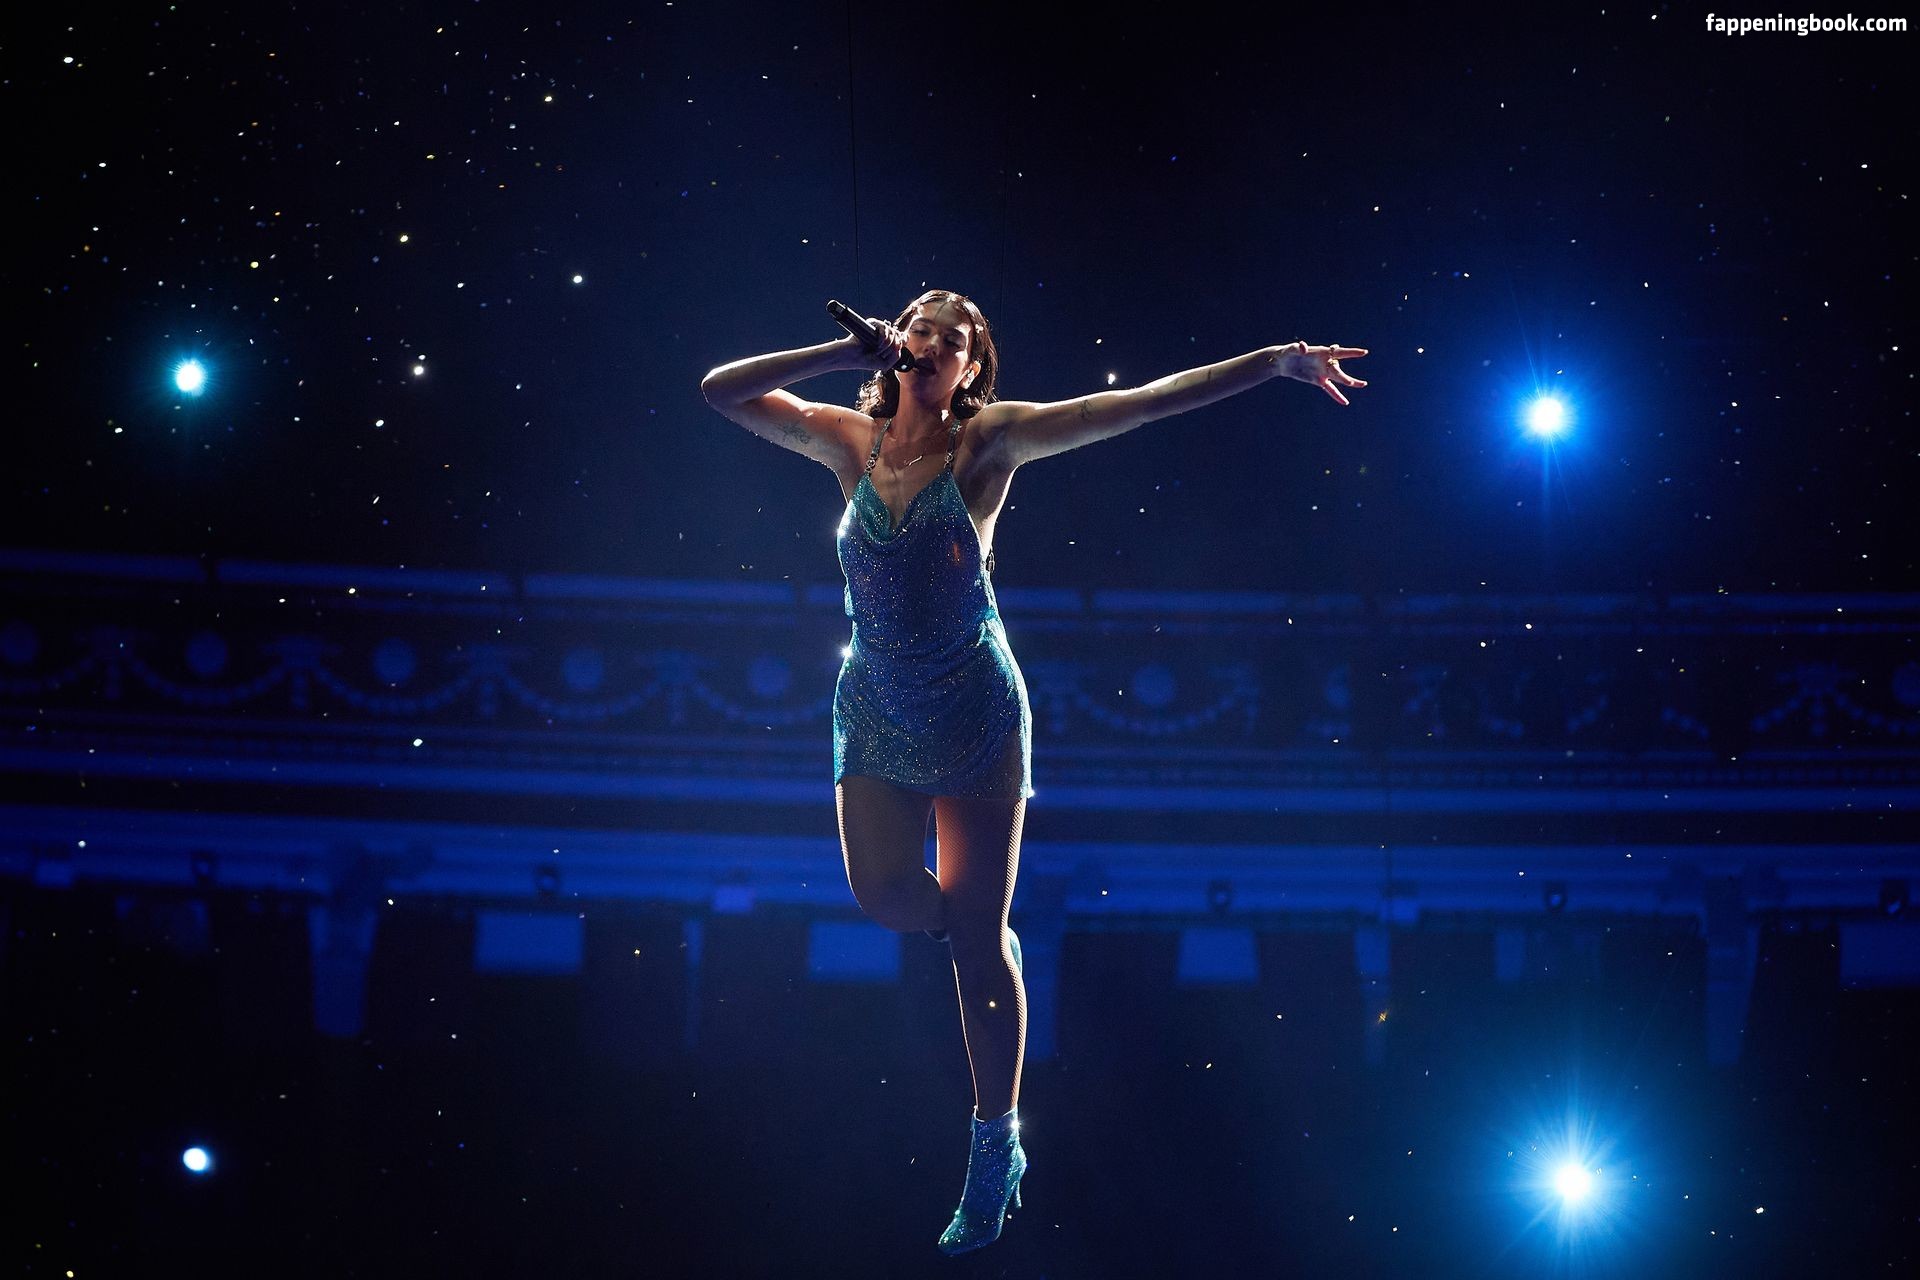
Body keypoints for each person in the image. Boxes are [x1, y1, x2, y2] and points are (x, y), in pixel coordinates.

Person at [700, 289, 1367, 1253]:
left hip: (976, 705)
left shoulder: (989, 443)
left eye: (952, 337)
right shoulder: (849, 441)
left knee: (976, 947)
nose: (928, 341)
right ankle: (976, 924)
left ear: (972, 367)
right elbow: (720, 392)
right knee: (884, 896)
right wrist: (834, 357)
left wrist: (1270, 363)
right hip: (876, 702)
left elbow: (1139, 403)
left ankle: (994, 1141)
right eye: (917, 326)